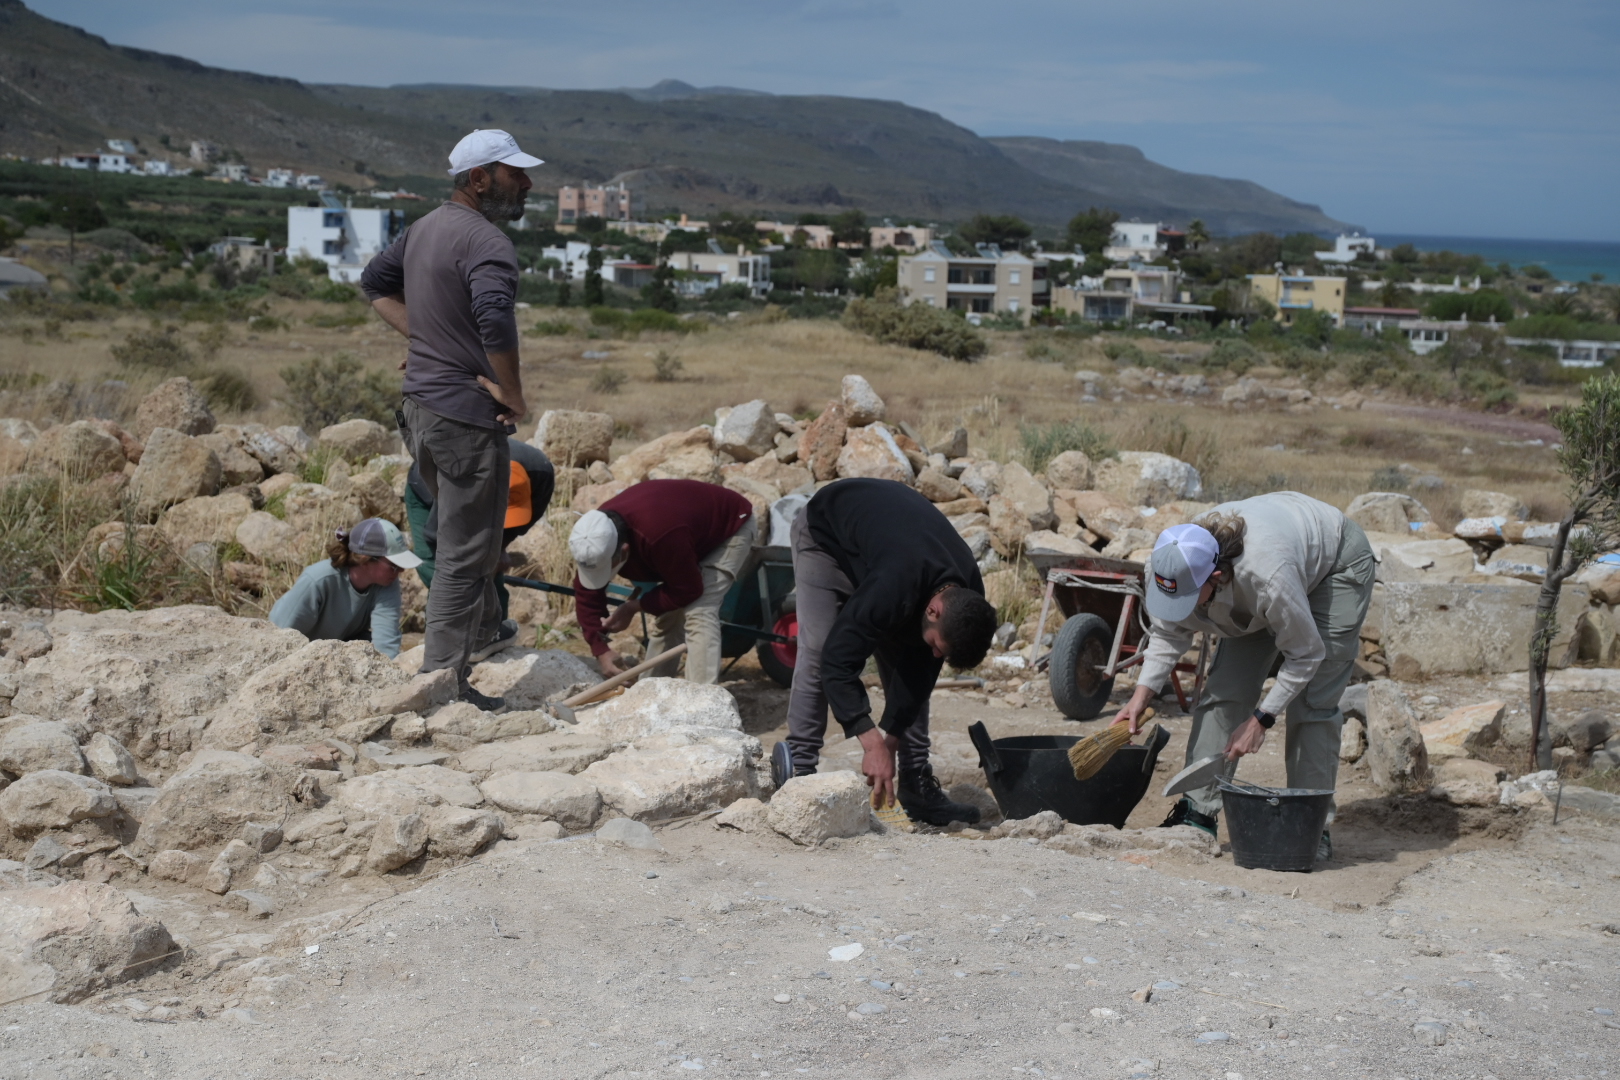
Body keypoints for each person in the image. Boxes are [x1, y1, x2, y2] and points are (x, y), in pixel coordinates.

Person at [361, 128, 542, 710]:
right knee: (465, 558)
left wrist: (428, 339)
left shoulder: (424, 229)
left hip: (419, 412)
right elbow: (495, 321)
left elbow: (373, 284)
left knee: (466, 542)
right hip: (464, 419)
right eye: (516, 174)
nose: (528, 183)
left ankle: (482, 636)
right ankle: (443, 687)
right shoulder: (487, 241)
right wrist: (513, 395)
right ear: (480, 178)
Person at [1114, 491, 1376, 862]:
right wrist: (1141, 695)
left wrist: (1261, 719)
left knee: (1313, 704)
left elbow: (1306, 655)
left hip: (1334, 565)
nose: (1179, 604)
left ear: (1216, 577)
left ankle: (1310, 825)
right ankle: (1198, 815)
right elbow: (1170, 632)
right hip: (1262, 572)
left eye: (1189, 596)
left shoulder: (1267, 576)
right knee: (1225, 691)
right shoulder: (1169, 565)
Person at [777, 478, 998, 825]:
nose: (937, 656)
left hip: (888, 549)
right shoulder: (897, 583)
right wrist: (871, 741)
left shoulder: (966, 594)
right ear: (934, 610)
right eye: (940, 647)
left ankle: (915, 783)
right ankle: (800, 773)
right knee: (819, 648)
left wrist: (892, 739)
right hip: (826, 537)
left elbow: (921, 671)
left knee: (916, 659)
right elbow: (838, 660)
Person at [569, 479, 757, 683]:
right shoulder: (595, 534)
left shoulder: (659, 535)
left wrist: (633, 607)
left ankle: (700, 702)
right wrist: (601, 649)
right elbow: (587, 595)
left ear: (624, 551)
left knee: (699, 610)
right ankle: (653, 692)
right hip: (685, 532)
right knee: (668, 618)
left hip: (728, 526)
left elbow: (688, 590)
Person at [404, 436, 555, 662]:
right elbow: (438, 541)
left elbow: (519, 522)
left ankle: (493, 631)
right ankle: (453, 637)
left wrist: (499, 548)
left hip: (481, 484)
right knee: (438, 567)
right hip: (430, 492)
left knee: (487, 563)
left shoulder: (540, 474)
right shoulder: (459, 480)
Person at [269, 517, 420, 659]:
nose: (401, 571)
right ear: (365, 559)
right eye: (394, 565)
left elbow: (386, 644)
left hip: (335, 649)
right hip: (295, 651)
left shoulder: (386, 582)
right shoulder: (317, 580)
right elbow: (278, 638)